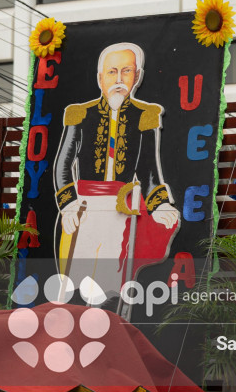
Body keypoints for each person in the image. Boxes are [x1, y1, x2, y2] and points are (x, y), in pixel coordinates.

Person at [53, 42, 179, 298]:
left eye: (127, 71)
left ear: (137, 76)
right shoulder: (79, 113)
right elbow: (62, 164)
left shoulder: (146, 114)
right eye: (112, 72)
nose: (119, 79)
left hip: (121, 211)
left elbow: (148, 170)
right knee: (74, 285)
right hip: (82, 208)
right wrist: (68, 205)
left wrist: (160, 205)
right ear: (100, 78)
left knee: (109, 288)